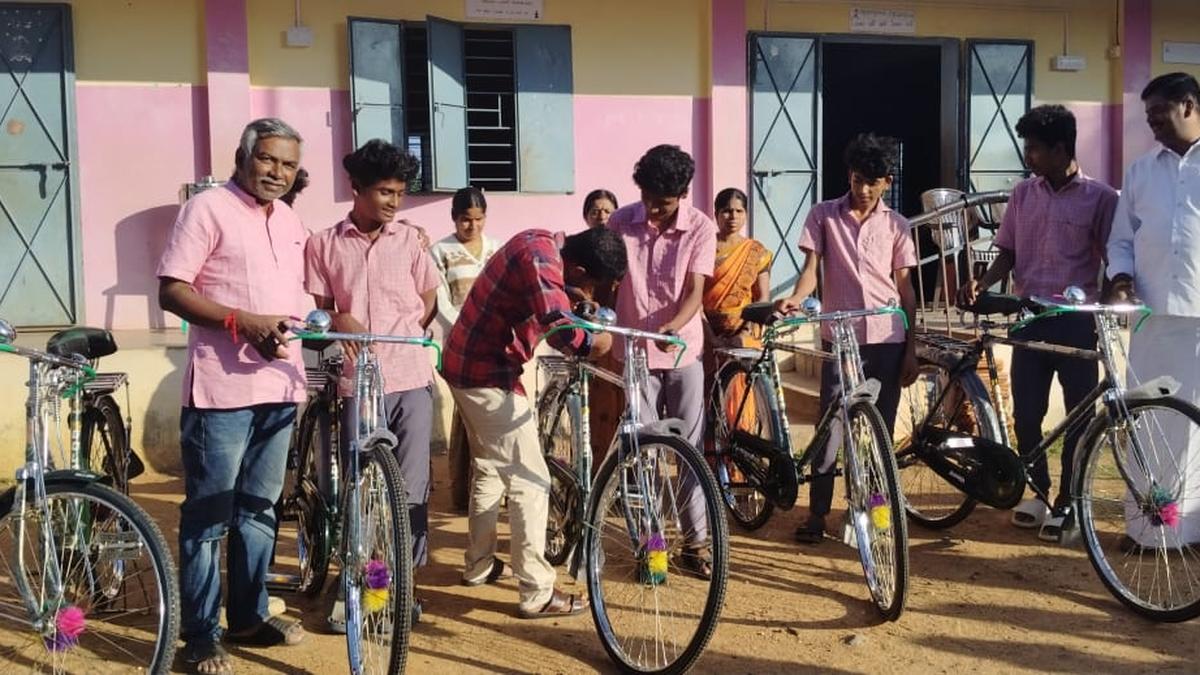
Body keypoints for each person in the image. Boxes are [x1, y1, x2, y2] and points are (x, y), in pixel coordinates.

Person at [158, 118, 308, 674]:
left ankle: (247, 616)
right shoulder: (207, 209)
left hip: (281, 384)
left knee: (259, 508)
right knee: (209, 514)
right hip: (221, 390)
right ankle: (199, 635)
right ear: (243, 157)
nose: (278, 172)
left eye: (288, 165)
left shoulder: (292, 219)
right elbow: (172, 290)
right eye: (268, 160)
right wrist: (239, 321)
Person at [441, 227, 627, 618]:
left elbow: (553, 305)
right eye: (591, 287)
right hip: (484, 374)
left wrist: (579, 305)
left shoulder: (541, 244)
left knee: (491, 468)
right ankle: (537, 592)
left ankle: (479, 565)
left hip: (471, 365)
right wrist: (598, 344)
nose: (590, 296)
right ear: (577, 270)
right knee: (531, 479)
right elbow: (560, 329)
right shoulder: (540, 259)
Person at [958, 105, 1118, 540]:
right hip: (1028, 318)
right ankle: (1037, 490)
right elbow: (1007, 250)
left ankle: (1070, 500)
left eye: (1034, 149)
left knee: (1079, 417)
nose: (1028, 156)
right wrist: (982, 281)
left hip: (1075, 323)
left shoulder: (1102, 198)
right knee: (1027, 414)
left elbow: (1114, 258)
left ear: (1060, 148)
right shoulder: (1023, 195)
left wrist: (1106, 306)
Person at [304, 139, 439, 625]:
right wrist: (340, 316)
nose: (393, 202)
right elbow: (318, 311)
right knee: (361, 487)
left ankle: (404, 588)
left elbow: (429, 303)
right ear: (356, 189)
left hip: (411, 377)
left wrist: (403, 334)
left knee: (412, 490)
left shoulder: (411, 240)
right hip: (355, 385)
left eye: (400, 194)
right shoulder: (322, 244)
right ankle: (359, 581)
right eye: (384, 191)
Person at [776, 133, 919, 544]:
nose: (863, 189)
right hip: (839, 339)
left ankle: (872, 511)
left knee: (879, 430)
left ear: (887, 182)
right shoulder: (823, 215)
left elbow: (906, 290)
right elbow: (810, 272)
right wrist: (796, 298)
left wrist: (912, 348)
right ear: (849, 176)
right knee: (830, 427)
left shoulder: (897, 225)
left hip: (887, 339)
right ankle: (817, 514)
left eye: (872, 182)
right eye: (857, 180)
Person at [607, 144, 718, 578]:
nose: (653, 209)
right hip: (634, 353)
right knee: (644, 452)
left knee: (689, 450)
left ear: (683, 193)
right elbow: (603, 273)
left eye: (664, 202)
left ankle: (696, 544)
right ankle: (651, 547)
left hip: (682, 351)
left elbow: (695, 292)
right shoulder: (621, 222)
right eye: (649, 198)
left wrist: (674, 325)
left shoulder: (701, 228)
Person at [1106, 72, 1200, 549]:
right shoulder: (1141, 172)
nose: (1153, 126)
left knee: (1197, 428)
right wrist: (1121, 277)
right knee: (1147, 420)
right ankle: (1147, 531)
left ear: (1187, 105)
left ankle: (1194, 528)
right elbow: (1121, 239)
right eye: (1147, 119)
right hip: (1152, 319)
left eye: (1159, 115)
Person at [429, 187, 499, 513]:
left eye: (478, 219)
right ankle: (463, 491)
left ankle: (494, 491)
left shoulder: (495, 249)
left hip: (496, 344)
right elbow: (440, 300)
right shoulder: (440, 251)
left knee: (493, 416)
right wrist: (468, 329)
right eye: (465, 220)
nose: (472, 227)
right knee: (468, 417)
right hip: (459, 343)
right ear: (454, 219)